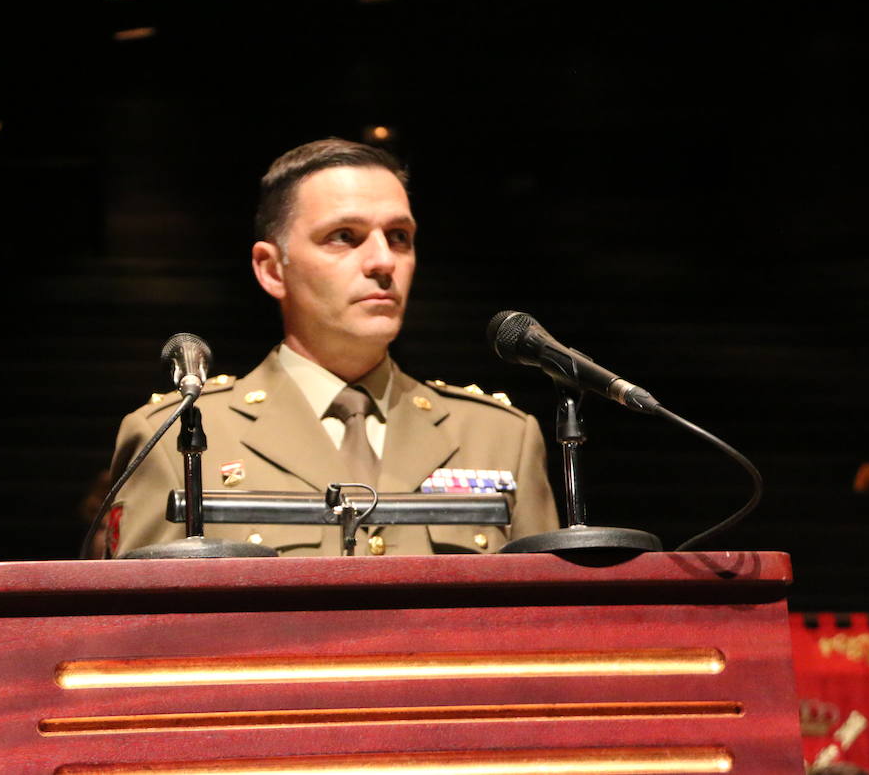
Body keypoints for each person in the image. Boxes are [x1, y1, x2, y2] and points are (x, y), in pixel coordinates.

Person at [88, 138, 559, 557]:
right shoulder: (176, 438)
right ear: (272, 269)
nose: (382, 261)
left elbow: (552, 633)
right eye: (344, 237)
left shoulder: (501, 437)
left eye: (399, 237)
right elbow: (133, 638)